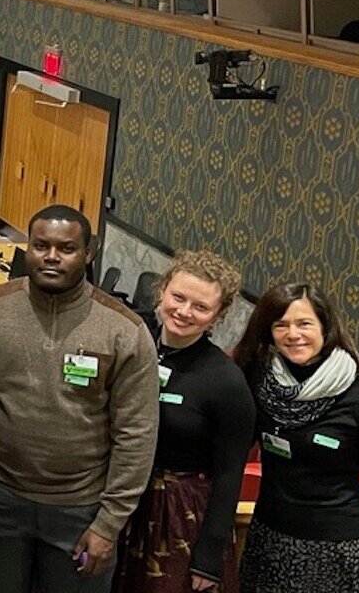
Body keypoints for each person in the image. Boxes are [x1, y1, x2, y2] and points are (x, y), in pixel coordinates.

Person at [0, 205, 158, 593]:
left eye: (66, 248)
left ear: (88, 254)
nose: (51, 257)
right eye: (40, 245)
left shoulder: (124, 331)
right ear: (26, 248)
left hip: (81, 511)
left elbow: (136, 435)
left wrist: (108, 523)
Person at [231, 283, 359, 593]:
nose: (293, 334)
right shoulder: (259, 384)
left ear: (325, 327)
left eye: (304, 323)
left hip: (339, 549)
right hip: (269, 541)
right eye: (281, 325)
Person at [113, 251, 254, 593]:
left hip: (179, 517)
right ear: (162, 291)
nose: (184, 312)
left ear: (217, 316)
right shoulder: (131, 344)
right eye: (178, 297)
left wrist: (208, 557)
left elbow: (228, 473)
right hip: (123, 501)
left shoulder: (226, 382)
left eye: (201, 307)